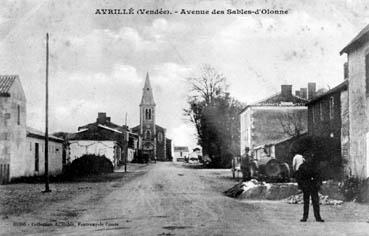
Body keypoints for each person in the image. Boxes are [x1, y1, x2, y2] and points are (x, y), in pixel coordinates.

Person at [295, 153, 324, 222]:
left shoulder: (315, 166)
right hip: (307, 186)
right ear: (305, 159)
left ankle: (317, 217)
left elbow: (319, 176)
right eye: (307, 158)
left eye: (310, 158)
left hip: (313, 186)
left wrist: (318, 184)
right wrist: (301, 186)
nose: (309, 159)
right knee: (306, 202)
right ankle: (305, 217)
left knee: (315, 202)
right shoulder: (302, 167)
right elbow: (299, 178)